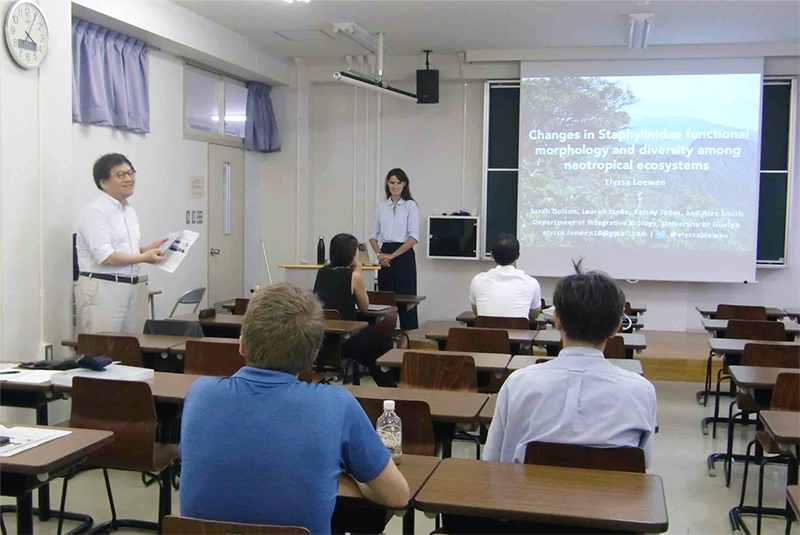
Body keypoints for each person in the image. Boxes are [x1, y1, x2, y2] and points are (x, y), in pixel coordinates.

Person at [180, 284, 409, 534]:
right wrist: (356, 475)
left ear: (242, 345)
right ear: (313, 356)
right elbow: (397, 495)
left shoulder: (198, 394)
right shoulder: (336, 405)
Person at [483, 260, 658, 466]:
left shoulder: (518, 383)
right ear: (616, 328)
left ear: (556, 320)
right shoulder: (642, 392)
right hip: (609, 498)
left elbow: (492, 461)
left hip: (529, 496)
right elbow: (642, 465)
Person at [75, 154, 166, 334]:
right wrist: (143, 257)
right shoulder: (96, 211)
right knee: (102, 350)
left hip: (129, 288)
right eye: (120, 175)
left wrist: (147, 250)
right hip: (103, 289)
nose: (129, 179)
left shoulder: (129, 210)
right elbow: (106, 256)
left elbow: (124, 250)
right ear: (103, 182)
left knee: (127, 350)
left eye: (131, 173)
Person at [314, 233, 396, 387]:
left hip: (323, 339)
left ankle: (383, 381)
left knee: (372, 343)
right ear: (350, 254)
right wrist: (359, 272)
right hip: (345, 340)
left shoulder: (322, 272)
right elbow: (364, 306)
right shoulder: (353, 276)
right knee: (382, 340)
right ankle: (387, 385)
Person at [369, 168, 420, 330]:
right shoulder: (381, 206)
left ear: (404, 184)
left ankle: (405, 343)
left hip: (403, 255)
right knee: (385, 301)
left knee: (406, 302)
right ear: (387, 183)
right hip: (385, 253)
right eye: (392, 182)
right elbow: (373, 235)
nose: (395, 186)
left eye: (399, 183)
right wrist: (380, 255)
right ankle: (385, 340)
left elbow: (413, 237)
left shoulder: (411, 206)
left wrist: (392, 256)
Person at [469, 233, 542, 320]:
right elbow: (534, 314)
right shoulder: (531, 282)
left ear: (491, 255)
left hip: (486, 333)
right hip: (518, 333)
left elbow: (476, 311)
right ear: (518, 256)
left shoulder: (478, 280)